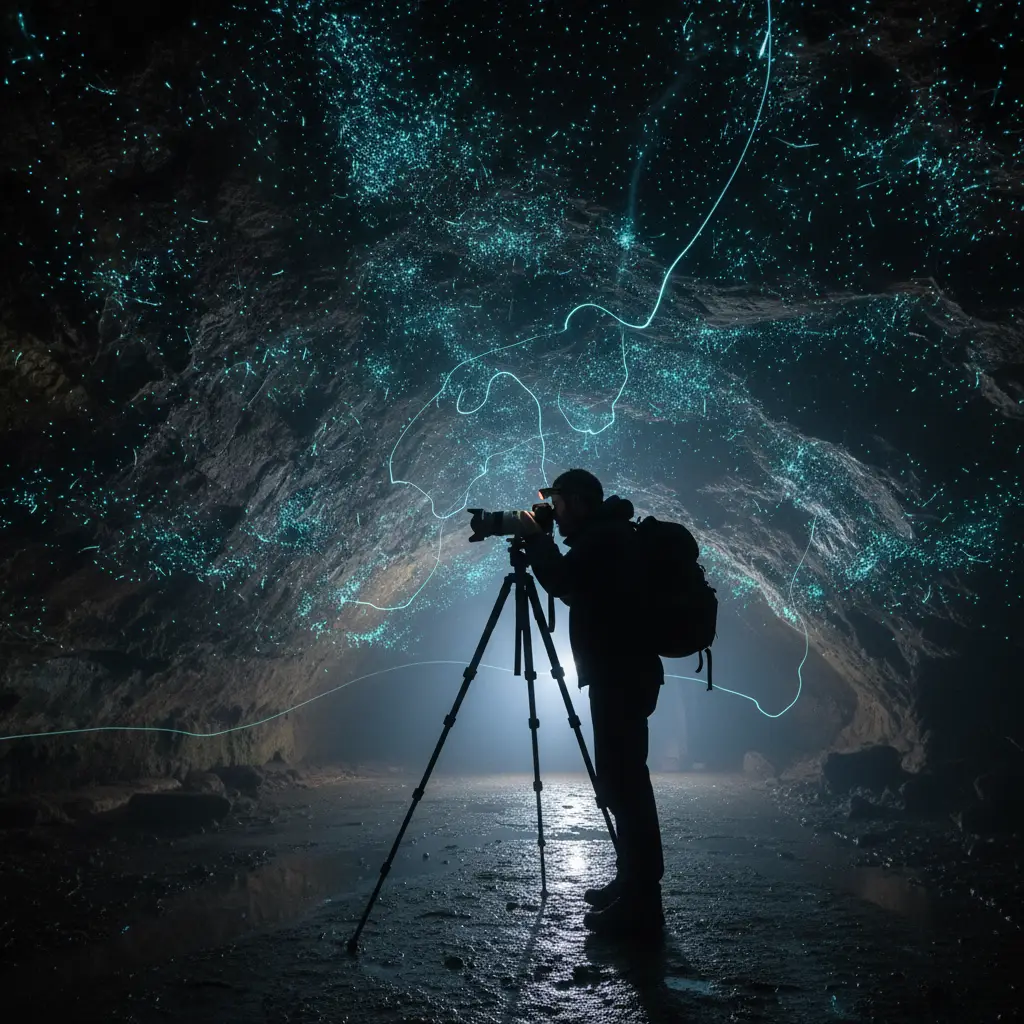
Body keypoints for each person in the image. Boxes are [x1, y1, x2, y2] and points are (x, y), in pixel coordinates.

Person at [518, 468, 665, 937]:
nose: (554, 515)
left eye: (558, 504)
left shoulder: (605, 540)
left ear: (579, 501)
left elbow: (562, 580)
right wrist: (543, 543)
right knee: (624, 782)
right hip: (621, 673)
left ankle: (643, 904)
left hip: (620, 676)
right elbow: (572, 582)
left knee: (626, 785)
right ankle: (632, 882)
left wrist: (538, 544)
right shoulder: (607, 536)